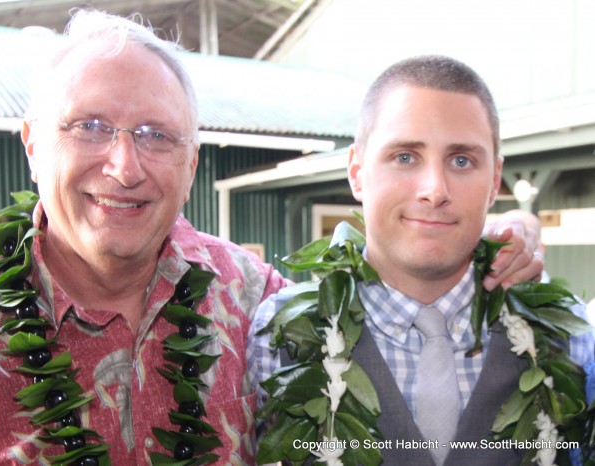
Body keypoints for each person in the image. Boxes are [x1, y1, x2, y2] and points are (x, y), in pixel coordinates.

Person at [0, 11, 544, 465]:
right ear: (33, 144)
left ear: (192, 164)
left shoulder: (256, 300)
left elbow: (395, 308)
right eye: (90, 126)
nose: (124, 166)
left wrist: (487, 239)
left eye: (156, 135)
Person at [252, 55, 595, 466]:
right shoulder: (275, 337)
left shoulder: (569, 335)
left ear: (493, 182)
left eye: (462, 160)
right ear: (357, 172)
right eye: (405, 157)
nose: (435, 190)